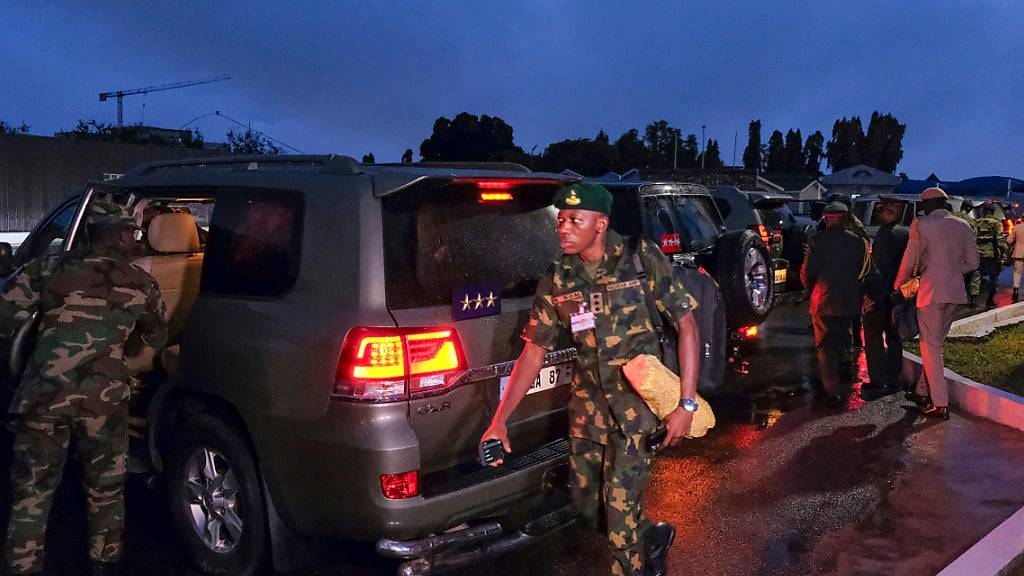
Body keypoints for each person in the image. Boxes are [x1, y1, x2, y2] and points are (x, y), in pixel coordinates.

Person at [480, 182, 700, 576]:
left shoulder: (639, 258)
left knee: (619, 519)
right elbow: (534, 351)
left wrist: (686, 404)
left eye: (575, 220)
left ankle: (635, 564)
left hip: (637, 412)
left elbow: (687, 326)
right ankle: (650, 537)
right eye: (561, 219)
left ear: (600, 224)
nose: (563, 228)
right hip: (587, 414)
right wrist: (500, 420)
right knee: (586, 505)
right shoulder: (558, 278)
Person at [2, 201, 167, 576]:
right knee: (106, 489)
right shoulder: (141, 282)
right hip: (103, 402)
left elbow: (5, 317)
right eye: (133, 235)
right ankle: (103, 563)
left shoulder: (49, 267)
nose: (136, 241)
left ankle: (23, 566)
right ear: (122, 235)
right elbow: (155, 337)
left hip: (44, 398)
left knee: (32, 491)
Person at [895, 187, 979, 420]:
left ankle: (940, 403)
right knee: (935, 345)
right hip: (955, 293)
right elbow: (973, 263)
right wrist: (951, 272)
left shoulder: (922, 224)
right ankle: (922, 390)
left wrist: (899, 286)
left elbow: (910, 257)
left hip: (931, 292)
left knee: (930, 347)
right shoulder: (963, 225)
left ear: (927, 204)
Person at [802, 201, 870, 405]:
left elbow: (807, 273)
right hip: (849, 300)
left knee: (825, 345)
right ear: (846, 218)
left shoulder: (817, 241)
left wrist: (811, 291)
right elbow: (863, 271)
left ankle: (832, 390)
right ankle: (845, 379)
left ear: (826, 218)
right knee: (844, 339)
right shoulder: (858, 242)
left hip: (823, 300)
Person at [862, 202, 909, 393]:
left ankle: (878, 379)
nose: (878, 214)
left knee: (873, 338)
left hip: (881, 295)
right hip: (897, 294)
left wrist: (871, 296)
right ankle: (894, 378)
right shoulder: (905, 233)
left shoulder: (885, 234)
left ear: (891, 212)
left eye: (881, 210)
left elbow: (879, 269)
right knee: (894, 337)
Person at [974, 203, 1006, 309]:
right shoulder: (997, 223)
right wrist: (1003, 253)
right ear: (992, 212)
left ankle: (973, 300)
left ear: (983, 212)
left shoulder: (977, 222)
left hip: (978, 253)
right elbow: (1000, 240)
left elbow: (972, 237)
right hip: (992, 254)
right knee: (994, 277)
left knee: (976, 276)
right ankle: (990, 299)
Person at [953, 200, 981, 307]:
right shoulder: (971, 221)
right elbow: (974, 237)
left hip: (951, 250)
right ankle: (973, 300)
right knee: (974, 274)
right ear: (969, 209)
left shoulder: (951, 216)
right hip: (966, 251)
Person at [1008, 217, 1024, 302]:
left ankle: (1016, 291)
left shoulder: (1016, 227)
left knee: (1017, 273)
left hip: (1018, 253)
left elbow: (1009, 240)